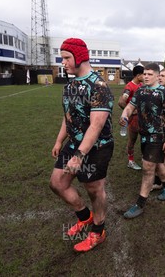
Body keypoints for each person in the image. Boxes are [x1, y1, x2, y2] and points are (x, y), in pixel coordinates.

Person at [49, 38, 114, 252]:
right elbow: (69, 117)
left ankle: (98, 231)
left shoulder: (99, 86)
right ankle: (84, 216)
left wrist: (79, 155)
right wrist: (60, 140)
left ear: (80, 56)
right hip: (74, 143)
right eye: (62, 58)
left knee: (94, 189)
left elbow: (95, 126)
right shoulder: (71, 85)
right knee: (57, 183)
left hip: (97, 147)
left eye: (67, 58)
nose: (63, 63)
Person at [120, 63, 165, 219]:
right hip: (144, 134)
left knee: (148, 167)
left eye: (150, 74)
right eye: (144, 74)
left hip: (158, 136)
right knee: (157, 164)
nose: (145, 76)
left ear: (158, 76)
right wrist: (125, 116)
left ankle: (140, 203)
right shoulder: (140, 91)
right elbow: (130, 107)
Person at [118, 65, 145, 170]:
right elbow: (121, 102)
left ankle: (144, 158)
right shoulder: (129, 87)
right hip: (134, 119)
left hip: (142, 118)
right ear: (138, 75)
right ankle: (130, 161)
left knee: (144, 139)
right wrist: (131, 112)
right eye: (144, 74)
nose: (145, 76)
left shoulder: (142, 85)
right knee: (132, 140)